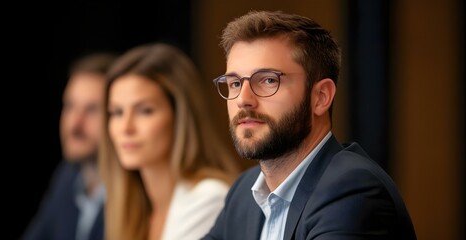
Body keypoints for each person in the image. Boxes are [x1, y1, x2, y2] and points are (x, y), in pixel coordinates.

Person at [202, 10, 417, 240]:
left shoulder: (352, 190)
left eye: (268, 80)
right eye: (235, 83)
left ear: (321, 97)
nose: (243, 99)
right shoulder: (243, 194)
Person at [99, 42, 240, 240]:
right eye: (117, 112)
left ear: (180, 117)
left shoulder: (208, 198)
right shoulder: (130, 206)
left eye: (144, 111)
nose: (125, 128)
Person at [21, 52, 118, 240]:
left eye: (92, 109)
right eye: (70, 106)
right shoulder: (67, 177)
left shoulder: (134, 194)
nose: (75, 124)